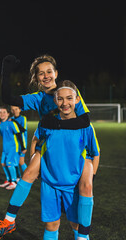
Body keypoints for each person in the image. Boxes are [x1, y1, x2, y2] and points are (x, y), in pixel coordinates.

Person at [0, 55, 90, 239]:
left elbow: (84, 121)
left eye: (49, 72)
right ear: (36, 78)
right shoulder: (37, 98)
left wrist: (52, 124)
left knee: (75, 217)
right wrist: (6, 72)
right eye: (41, 73)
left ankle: (82, 235)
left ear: (56, 73)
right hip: (49, 146)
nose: (46, 76)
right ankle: (9, 221)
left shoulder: (69, 92)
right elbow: (7, 97)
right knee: (27, 174)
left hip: (71, 153)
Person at [35, 81, 100, 240]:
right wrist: (34, 166)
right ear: (55, 101)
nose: (65, 103)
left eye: (69, 98)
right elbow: (36, 141)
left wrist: (89, 179)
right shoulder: (49, 123)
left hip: (73, 185)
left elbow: (95, 153)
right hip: (49, 183)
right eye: (61, 99)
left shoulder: (85, 127)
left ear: (77, 100)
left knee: (76, 224)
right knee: (51, 225)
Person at [0, 106, 26, 190]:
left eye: (4, 112)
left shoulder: (11, 122)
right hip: (5, 148)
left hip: (13, 147)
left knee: (10, 164)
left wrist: (23, 147)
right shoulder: (0, 124)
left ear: (8, 114)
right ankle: (8, 179)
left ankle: (13, 182)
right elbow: (2, 135)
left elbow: (19, 134)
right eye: (0, 112)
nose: (2, 114)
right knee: (3, 163)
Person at [10, 106, 27, 180]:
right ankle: (18, 177)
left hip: (22, 143)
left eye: (16, 109)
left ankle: (28, 176)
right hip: (15, 144)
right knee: (15, 161)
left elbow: (23, 129)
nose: (14, 111)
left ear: (20, 110)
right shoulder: (11, 119)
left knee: (21, 162)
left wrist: (14, 121)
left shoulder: (23, 118)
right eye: (12, 110)